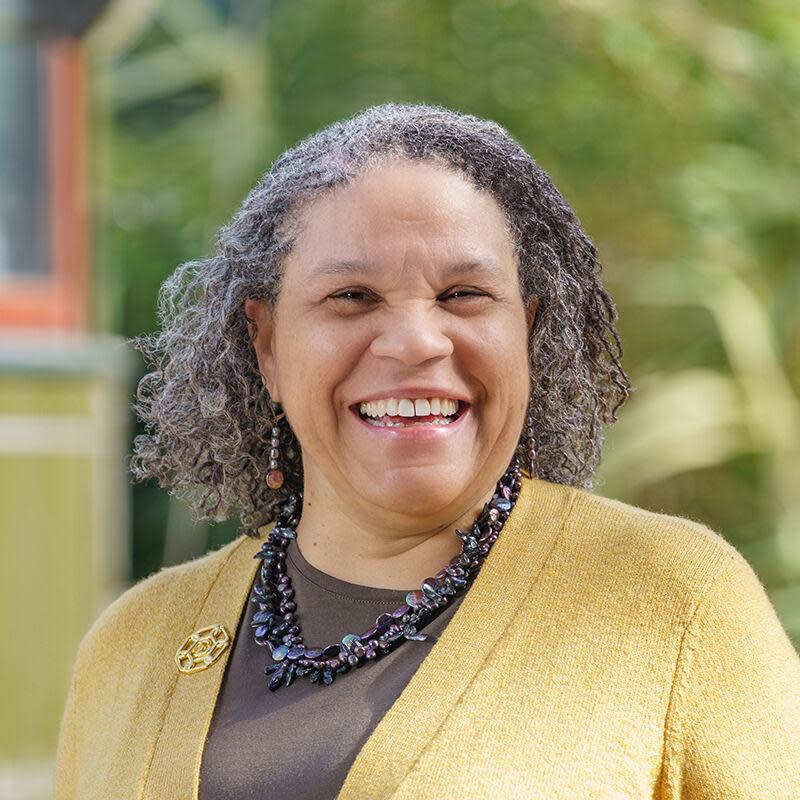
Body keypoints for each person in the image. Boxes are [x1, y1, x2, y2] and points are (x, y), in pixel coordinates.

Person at [53, 102, 800, 799]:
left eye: (464, 295)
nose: (415, 342)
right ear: (267, 345)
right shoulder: (133, 644)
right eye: (352, 296)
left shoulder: (674, 601)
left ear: (527, 334)